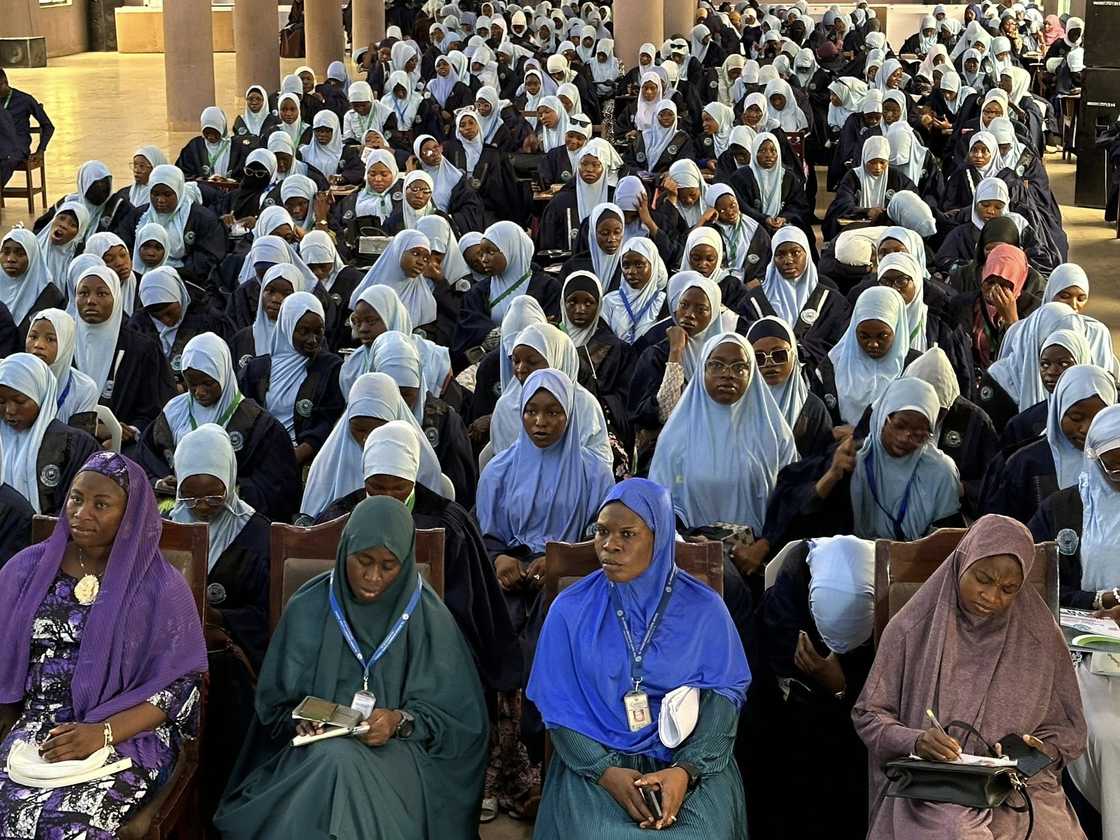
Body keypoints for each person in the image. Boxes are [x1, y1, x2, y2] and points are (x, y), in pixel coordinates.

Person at [214, 496, 489, 838]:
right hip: (312, 752)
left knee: (338, 765)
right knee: (334, 760)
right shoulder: (308, 606)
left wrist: (399, 721)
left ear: (406, 562)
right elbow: (273, 708)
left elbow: (459, 721)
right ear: (345, 550)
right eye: (364, 561)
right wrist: (300, 719)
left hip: (398, 755)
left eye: (388, 566)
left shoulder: (429, 618)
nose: (373, 577)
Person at [527, 477, 750, 838]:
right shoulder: (570, 610)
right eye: (602, 531)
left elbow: (724, 699)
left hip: (687, 760)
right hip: (596, 761)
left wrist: (685, 771)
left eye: (627, 534)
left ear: (659, 539)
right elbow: (557, 706)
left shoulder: (704, 610)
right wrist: (605, 772)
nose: (609, 546)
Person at [0, 452, 207, 837]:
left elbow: (181, 686)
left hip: (126, 735)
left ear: (130, 515)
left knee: (72, 827)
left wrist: (103, 732)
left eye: (101, 504)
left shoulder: (160, 587)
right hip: (36, 728)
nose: (81, 513)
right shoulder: (26, 569)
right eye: (76, 499)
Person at [853, 514, 1088, 840]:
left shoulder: (1041, 637)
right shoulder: (911, 629)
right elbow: (869, 714)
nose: (991, 597)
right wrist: (916, 741)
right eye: (983, 579)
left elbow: (1069, 732)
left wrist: (1039, 749)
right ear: (963, 562)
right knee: (957, 832)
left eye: (1008, 589)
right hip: (935, 787)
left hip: (1017, 786)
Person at [316, 420, 521, 694]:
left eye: (399, 488)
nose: (388, 498)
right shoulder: (339, 519)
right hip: (351, 640)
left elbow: (468, 607)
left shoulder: (448, 525)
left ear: (413, 479)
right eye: (376, 487)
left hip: (426, 646)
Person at [751, 535, 876, 840]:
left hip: (851, 748)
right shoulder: (782, 608)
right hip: (788, 744)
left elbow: (879, 704)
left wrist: (841, 686)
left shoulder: (889, 617)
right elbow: (762, 693)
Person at [477, 368, 614, 634]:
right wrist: (498, 559)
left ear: (570, 414)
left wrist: (562, 561)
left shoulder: (594, 473)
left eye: (553, 412)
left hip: (574, 578)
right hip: (510, 573)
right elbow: (484, 533)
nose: (540, 422)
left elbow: (601, 535)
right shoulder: (498, 471)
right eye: (531, 411)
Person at [765, 378, 962, 547]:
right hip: (853, 560)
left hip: (916, 566)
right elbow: (800, 517)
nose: (904, 438)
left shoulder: (941, 471)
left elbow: (946, 540)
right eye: (899, 426)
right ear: (882, 417)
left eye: (919, 435)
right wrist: (832, 476)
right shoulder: (852, 457)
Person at [137, 332, 300, 523]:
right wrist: (158, 482)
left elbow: (278, 486)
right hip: (177, 514)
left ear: (223, 375)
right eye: (192, 384)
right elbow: (146, 459)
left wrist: (225, 490)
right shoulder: (173, 413)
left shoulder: (257, 424)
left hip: (234, 517)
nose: (199, 392)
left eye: (208, 383)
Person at [170, 424, 270, 668]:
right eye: (190, 497)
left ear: (230, 480)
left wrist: (218, 617)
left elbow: (266, 614)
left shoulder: (257, 534)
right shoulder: (168, 528)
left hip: (229, 661)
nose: (202, 506)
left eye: (215, 496)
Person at [238, 292, 344, 468]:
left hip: (306, 461)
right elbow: (244, 415)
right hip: (259, 459)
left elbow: (330, 419)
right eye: (304, 331)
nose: (313, 340)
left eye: (318, 331)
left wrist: (297, 454)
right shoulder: (257, 369)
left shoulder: (330, 368)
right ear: (287, 327)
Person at [72, 265, 177, 439]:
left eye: (101, 293)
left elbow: (157, 407)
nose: (90, 301)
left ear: (116, 297)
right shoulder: (62, 344)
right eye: (83, 293)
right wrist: (92, 429)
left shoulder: (141, 348)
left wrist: (130, 431)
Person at [746, 316, 834, 457]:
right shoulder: (739, 406)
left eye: (779, 355)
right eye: (759, 358)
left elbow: (823, 462)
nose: (769, 363)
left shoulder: (813, 409)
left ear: (794, 355)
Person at [24, 309, 99, 436]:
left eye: (50, 339)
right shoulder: (11, 377)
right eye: (33, 337)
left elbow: (79, 442)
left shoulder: (84, 388)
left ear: (66, 343)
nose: (38, 345)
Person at [0, 227, 64, 338]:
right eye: (5, 252)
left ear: (33, 256)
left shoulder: (51, 297)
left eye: (20, 254)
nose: (10, 259)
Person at [0, 69, 53, 167]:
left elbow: (48, 126)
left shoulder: (25, 100)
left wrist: (40, 150)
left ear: (5, 83)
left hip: (17, 147)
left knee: (6, 160)